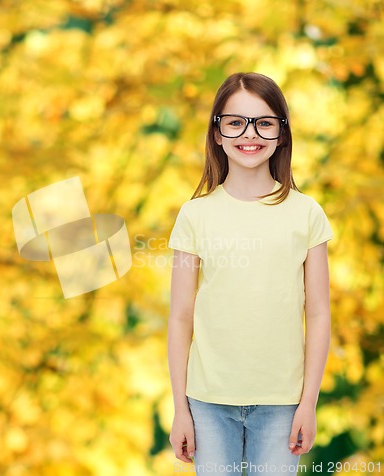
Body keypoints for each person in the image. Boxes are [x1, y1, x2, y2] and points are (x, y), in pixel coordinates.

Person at [167, 72, 333, 476]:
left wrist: (308, 402)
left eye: (264, 122)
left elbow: (319, 314)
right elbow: (180, 316)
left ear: (281, 133)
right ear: (218, 132)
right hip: (207, 401)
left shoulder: (306, 213)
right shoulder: (195, 215)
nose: (250, 133)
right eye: (235, 121)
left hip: (283, 402)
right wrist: (180, 408)